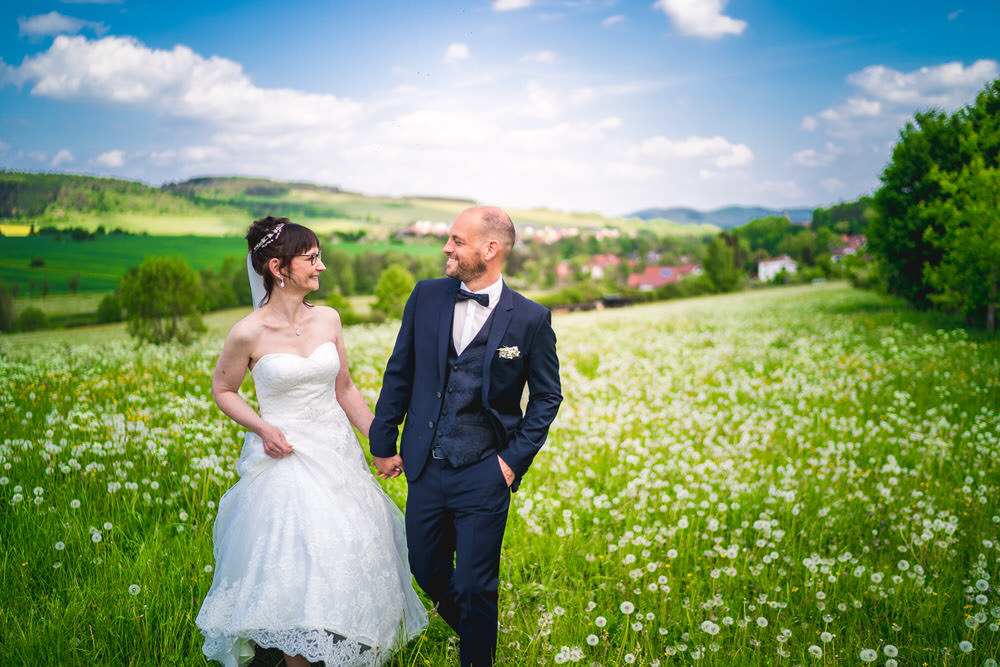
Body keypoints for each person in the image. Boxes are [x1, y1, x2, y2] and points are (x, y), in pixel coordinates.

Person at [196, 216, 427, 667]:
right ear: (279, 268)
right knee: (294, 562)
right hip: (284, 459)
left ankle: (342, 644)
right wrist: (262, 428)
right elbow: (223, 390)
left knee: (345, 553)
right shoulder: (248, 332)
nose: (321, 266)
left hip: (335, 454)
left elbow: (344, 389)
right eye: (312, 258)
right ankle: (295, 659)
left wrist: (380, 445)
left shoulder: (328, 319)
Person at [369, 206, 562, 666]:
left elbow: (546, 398)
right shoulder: (426, 297)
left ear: (489, 249)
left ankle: (477, 655)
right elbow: (400, 372)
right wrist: (383, 442)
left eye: (456, 240)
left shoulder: (531, 319)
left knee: (477, 584)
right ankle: (478, 631)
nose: (446, 248)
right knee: (426, 568)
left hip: (486, 469)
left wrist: (511, 462)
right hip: (426, 464)